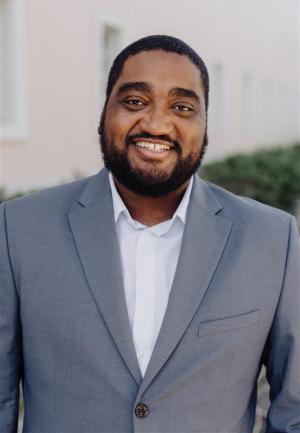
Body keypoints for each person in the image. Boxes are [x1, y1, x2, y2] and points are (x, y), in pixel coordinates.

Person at [0, 35, 299, 433]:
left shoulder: (273, 240)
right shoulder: (18, 230)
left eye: (182, 107)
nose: (157, 123)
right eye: (135, 102)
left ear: (205, 123)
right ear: (105, 111)